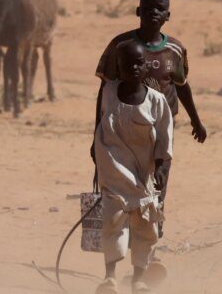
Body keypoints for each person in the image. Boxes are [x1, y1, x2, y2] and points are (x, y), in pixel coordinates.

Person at [92, 0, 207, 228]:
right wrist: (97, 135)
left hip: (160, 126)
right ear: (138, 12)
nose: (154, 12)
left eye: (160, 8)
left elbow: (182, 86)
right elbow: (105, 90)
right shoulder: (121, 45)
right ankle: (124, 235)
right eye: (148, 8)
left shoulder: (174, 49)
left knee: (158, 177)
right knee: (121, 177)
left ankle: (153, 234)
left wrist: (196, 120)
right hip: (122, 125)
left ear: (168, 15)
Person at [94, 40, 172, 294]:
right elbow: (99, 126)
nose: (134, 68)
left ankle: (138, 278)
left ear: (146, 66)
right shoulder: (108, 92)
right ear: (119, 67)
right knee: (113, 221)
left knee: (144, 226)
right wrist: (95, 158)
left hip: (142, 173)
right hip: (113, 169)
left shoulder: (157, 101)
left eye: (139, 63)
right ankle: (110, 278)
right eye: (128, 64)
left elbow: (164, 138)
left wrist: (160, 167)